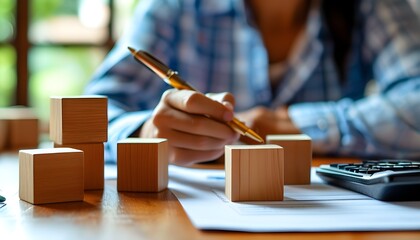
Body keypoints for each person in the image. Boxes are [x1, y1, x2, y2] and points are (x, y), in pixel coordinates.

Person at [85, 0, 420, 166]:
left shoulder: (372, 5)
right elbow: (90, 116)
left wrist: (287, 123)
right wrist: (145, 134)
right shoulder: (176, 6)